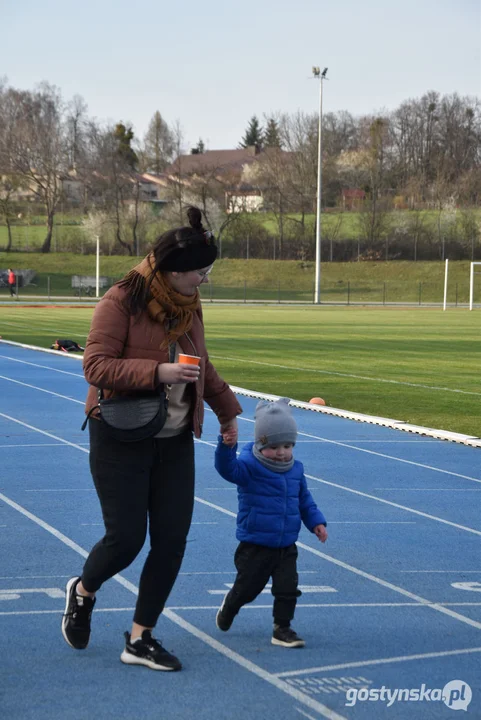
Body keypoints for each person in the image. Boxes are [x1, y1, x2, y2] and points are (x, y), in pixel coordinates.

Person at [62, 206, 242, 671]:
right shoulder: (120, 300)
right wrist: (156, 372)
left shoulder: (189, 304)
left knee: (171, 540)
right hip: (121, 435)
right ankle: (83, 590)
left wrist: (226, 411)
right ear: (174, 270)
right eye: (199, 273)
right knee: (125, 540)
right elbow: (95, 367)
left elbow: (202, 362)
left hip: (176, 439)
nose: (203, 281)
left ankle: (140, 638)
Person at [214, 397, 327, 648]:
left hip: (286, 543)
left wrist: (316, 522)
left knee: (288, 588)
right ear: (260, 443)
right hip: (255, 543)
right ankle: (230, 604)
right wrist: (225, 447)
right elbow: (227, 469)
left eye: (288, 445)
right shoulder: (249, 466)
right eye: (275, 446)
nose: (282, 452)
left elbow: (304, 500)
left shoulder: (295, 469)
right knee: (248, 589)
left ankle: (282, 628)